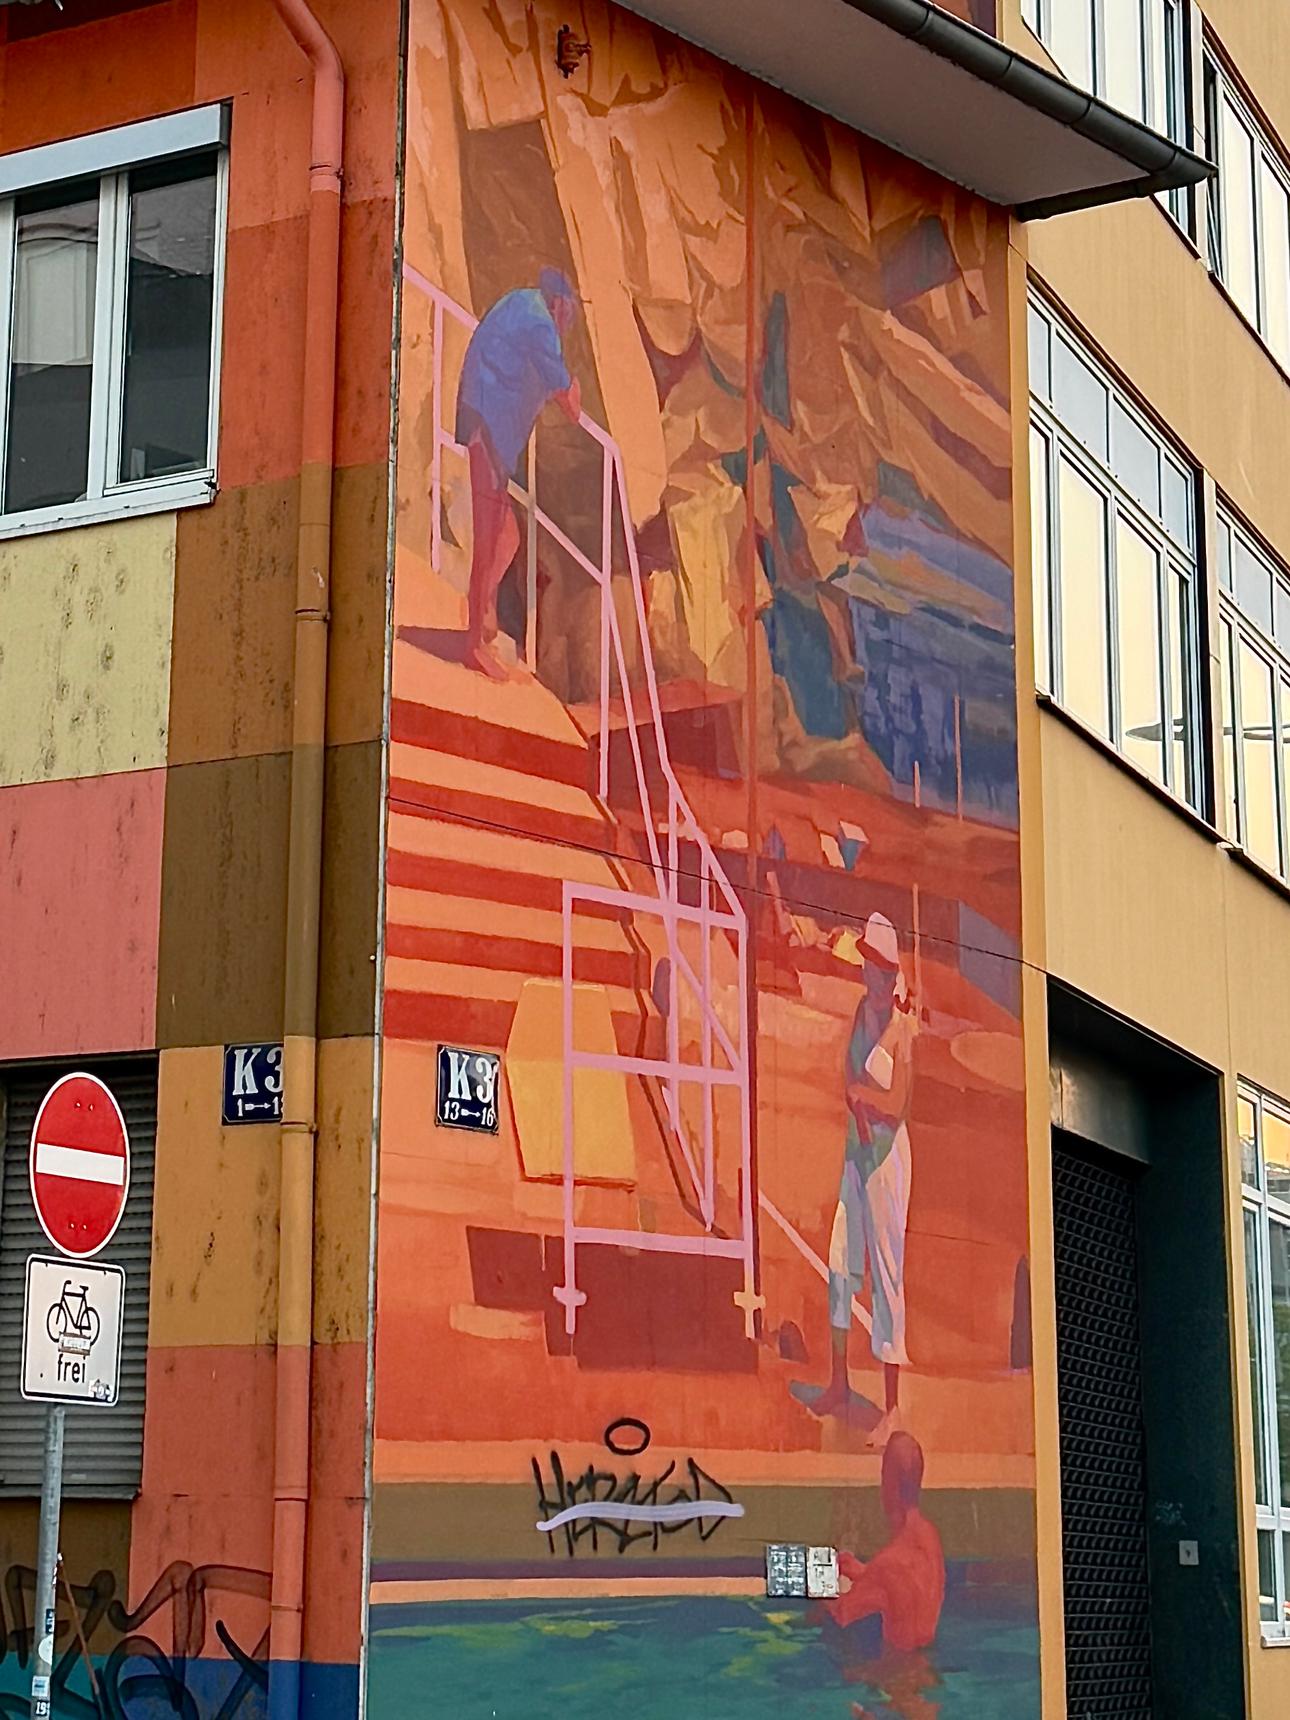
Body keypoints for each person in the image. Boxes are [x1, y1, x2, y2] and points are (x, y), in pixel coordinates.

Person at [793, 910, 916, 1447]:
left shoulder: (903, 1030)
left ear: (893, 973)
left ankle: (893, 1409)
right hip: (856, 1151)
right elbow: (847, 1069)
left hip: (887, 1163)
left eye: (879, 967)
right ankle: (839, 1383)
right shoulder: (862, 1011)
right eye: (867, 964)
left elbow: (898, 1102)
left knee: (887, 1275)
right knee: (840, 1261)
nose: (872, 975)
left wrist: (863, 1100)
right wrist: (855, 1105)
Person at [453, 268, 582, 680]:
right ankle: (473, 643)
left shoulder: (521, 304)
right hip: (489, 427)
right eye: (570, 314)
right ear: (559, 304)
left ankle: (481, 610)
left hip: (486, 422)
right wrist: (572, 388)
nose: (568, 324)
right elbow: (568, 402)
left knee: (507, 534)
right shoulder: (540, 323)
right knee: (490, 536)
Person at [825, 1431, 945, 1653]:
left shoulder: (888, 1564)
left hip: (893, 1670)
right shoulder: (929, 1537)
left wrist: (813, 1580)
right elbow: (901, 1588)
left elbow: (842, 1612)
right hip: (924, 1665)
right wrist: (862, 1571)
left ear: (890, 1485)